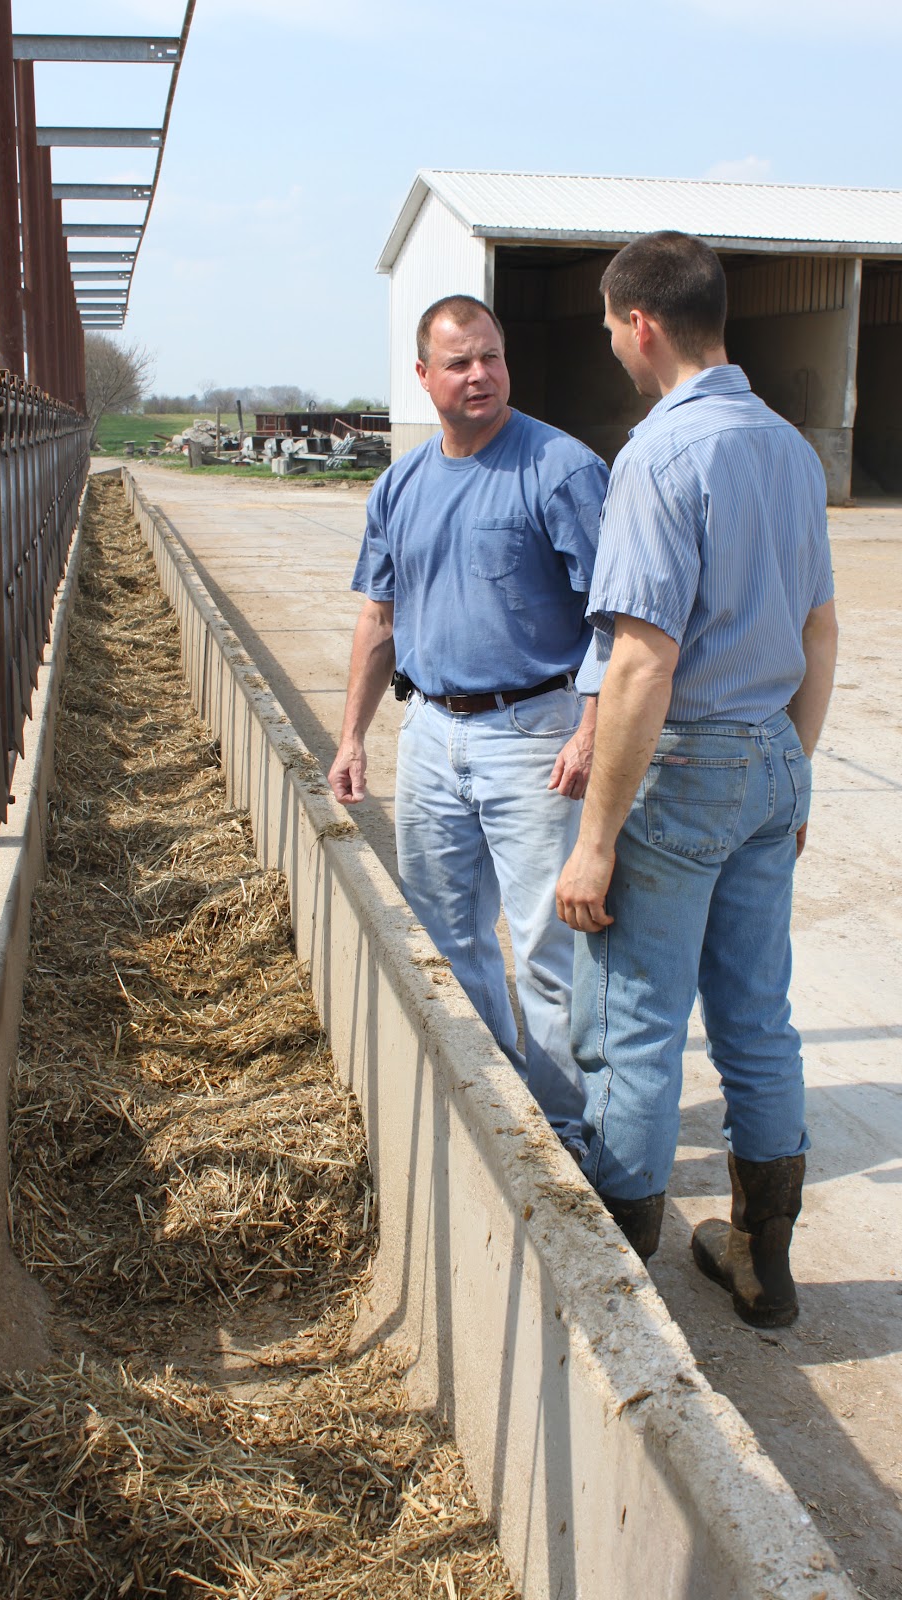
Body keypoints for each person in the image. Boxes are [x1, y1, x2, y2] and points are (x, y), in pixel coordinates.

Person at [555, 232, 838, 1328]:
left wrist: (594, 842)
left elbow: (641, 661)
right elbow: (818, 629)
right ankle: (762, 1265)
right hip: (769, 752)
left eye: (608, 327)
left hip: (684, 764)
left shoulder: (659, 455)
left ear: (640, 325)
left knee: (633, 1019)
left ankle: (617, 1302)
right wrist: (791, 773)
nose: (611, 345)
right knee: (756, 1017)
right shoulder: (789, 450)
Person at [328, 294, 609, 1157]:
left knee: (547, 946)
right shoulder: (400, 484)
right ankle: (495, 1109)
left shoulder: (559, 469)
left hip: (534, 733)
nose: (479, 374)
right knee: (446, 934)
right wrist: (352, 736)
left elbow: (616, 619)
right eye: (459, 362)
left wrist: (590, 730)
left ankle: (568, 1135)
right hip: (429, 732)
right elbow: (379, 618)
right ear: (423, 376)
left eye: (491, 356)